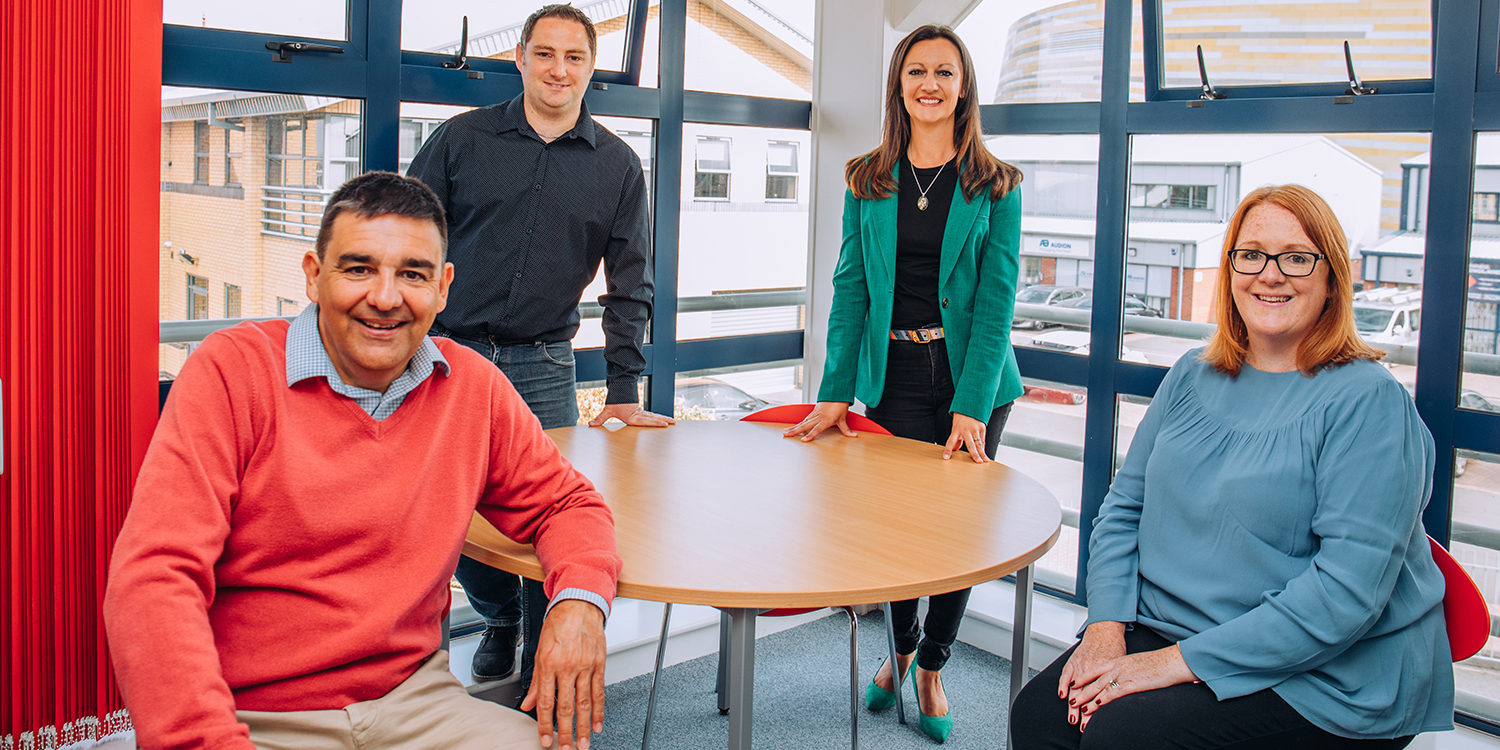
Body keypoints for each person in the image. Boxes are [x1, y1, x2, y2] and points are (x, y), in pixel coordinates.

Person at [103, 172, 620, 750]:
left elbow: (568, 504)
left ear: (444, 288)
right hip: (252, 712)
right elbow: (154, 577)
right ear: (313, 276)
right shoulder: (232, 372)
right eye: (359, 268)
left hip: (414, 701)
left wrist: (577, 605)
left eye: (413, 274)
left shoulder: (472, 387)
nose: (385, 297)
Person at [1010, 184, 1455, 749]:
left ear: (1332, 277)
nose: (1270, 274)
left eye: (1296, 257)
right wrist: (1104, 627)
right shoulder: (1192, 373)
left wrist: (1174, 664)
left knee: (1124, 738)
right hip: (1171, 627)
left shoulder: (1368, 403)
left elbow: (1346, 595)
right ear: (1230, 269)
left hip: (1323, 670)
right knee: (1037, 719)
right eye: (1251, 254)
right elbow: (1123, 510)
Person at [406, 3, 672, 693]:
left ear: (591, 70)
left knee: (543, 522)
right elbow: (405, 241)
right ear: (520, 57)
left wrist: (622, 389)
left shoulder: (617, 166)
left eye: (574, 57)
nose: (559, 69)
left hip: (545, 365)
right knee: (448, 515)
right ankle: (498, 619)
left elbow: (631, 283)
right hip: (447, 356)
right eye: (545, 54)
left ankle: (539, 674)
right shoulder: (460, 142)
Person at [782, 24, 1024, 744]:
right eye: (916, 71)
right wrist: (834, 390)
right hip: (891, 378)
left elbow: (996, 304)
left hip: (972, 377)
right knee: (890, 537)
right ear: (899, 86)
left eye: (943, 72)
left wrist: (972, 406)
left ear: (963, 87)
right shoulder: (867, 177)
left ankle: (932, 667)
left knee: (958, 540)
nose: (929, 83)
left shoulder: (997, 184)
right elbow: (851, 287)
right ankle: (900, 648)